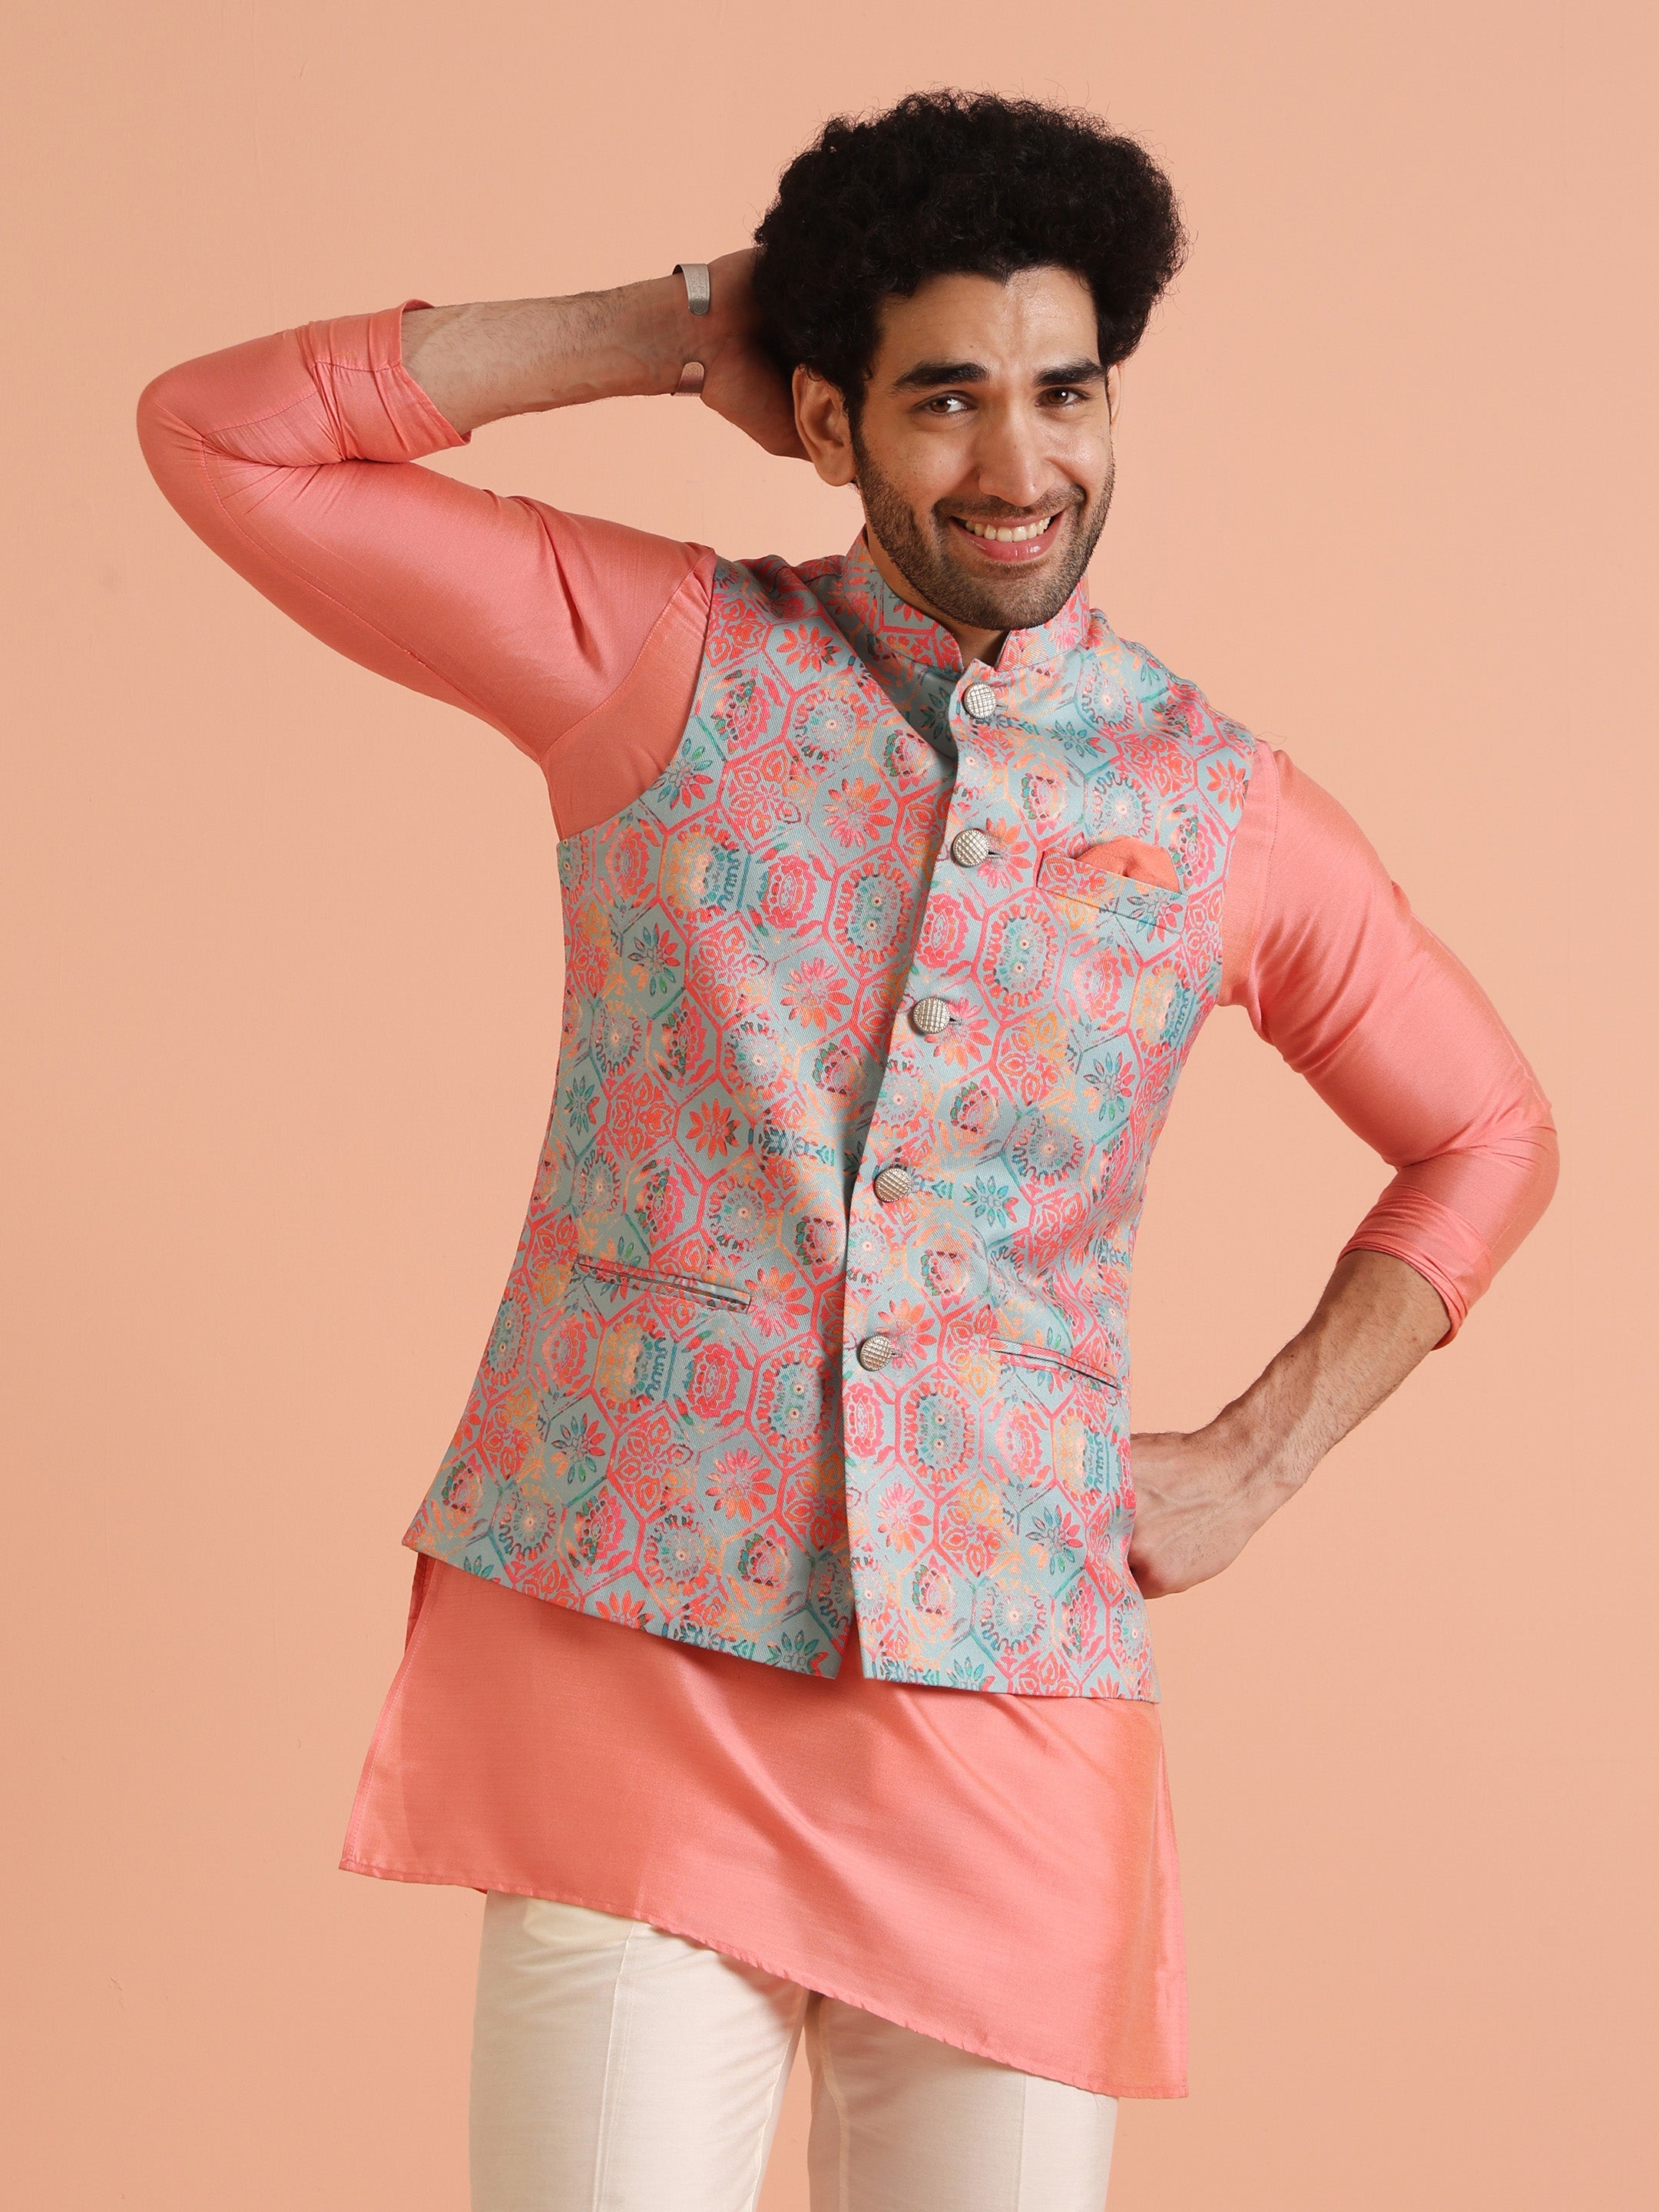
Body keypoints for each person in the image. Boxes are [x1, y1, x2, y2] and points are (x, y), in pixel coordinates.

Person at [137, 88, 1557, 2212]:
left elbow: (1490, 1131)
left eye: (1066, 392)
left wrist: (1259, 1459)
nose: (1020, 465)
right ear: (828, 419)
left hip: (1008, 1709)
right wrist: (661, 324)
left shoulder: (1215, 807)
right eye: (945, 397)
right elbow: (223, 437)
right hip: (637, 1664)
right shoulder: (660, 661)